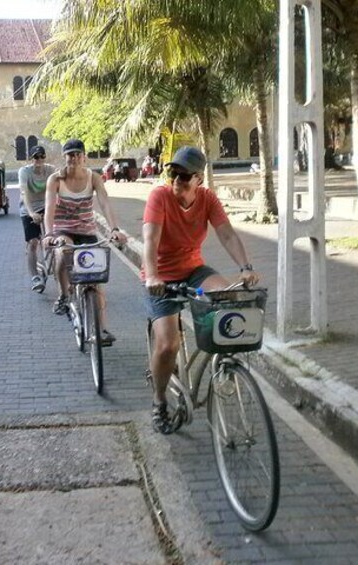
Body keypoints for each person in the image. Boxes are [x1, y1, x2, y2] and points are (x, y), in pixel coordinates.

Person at [142, 146, 260, 434]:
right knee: (168, 344)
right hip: (162, 278)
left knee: (228, 298)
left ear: (199, 179)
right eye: (174, 174)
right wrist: (153, 276)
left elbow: (227, 234)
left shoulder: (207, 199)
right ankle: (159, 401)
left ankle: (224, 361)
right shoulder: (160, 196)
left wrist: (245, 267)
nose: (177, 180)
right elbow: (150, 239)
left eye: (184, 176)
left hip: (193, 270)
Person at [42, 139, 128, 344]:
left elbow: (105, 203)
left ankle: (102, 329)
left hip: (87, 230)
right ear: (64, 157)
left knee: (96, 279)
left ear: (84, 157)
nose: (74, 158)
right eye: (70, 155)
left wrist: (114, 229)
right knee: (63, 252)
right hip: (63, 229)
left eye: (78, 154)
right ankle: (64, 294)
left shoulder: (94, 178)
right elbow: (49, 209)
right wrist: (48, 234)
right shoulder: (55, 180)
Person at [18, 145, 56, 292]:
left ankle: (55, 264)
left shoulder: (50, 170)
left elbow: (56, 189)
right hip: (29, 208)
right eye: (35, 157)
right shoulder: (25, 171)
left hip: (46, 206)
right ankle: (35, 276)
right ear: (31, 158)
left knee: (54, 237)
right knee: (33, 242)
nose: (38, 160)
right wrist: (31, 212)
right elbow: (23, 192)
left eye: (41, 156)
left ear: (45, 157)